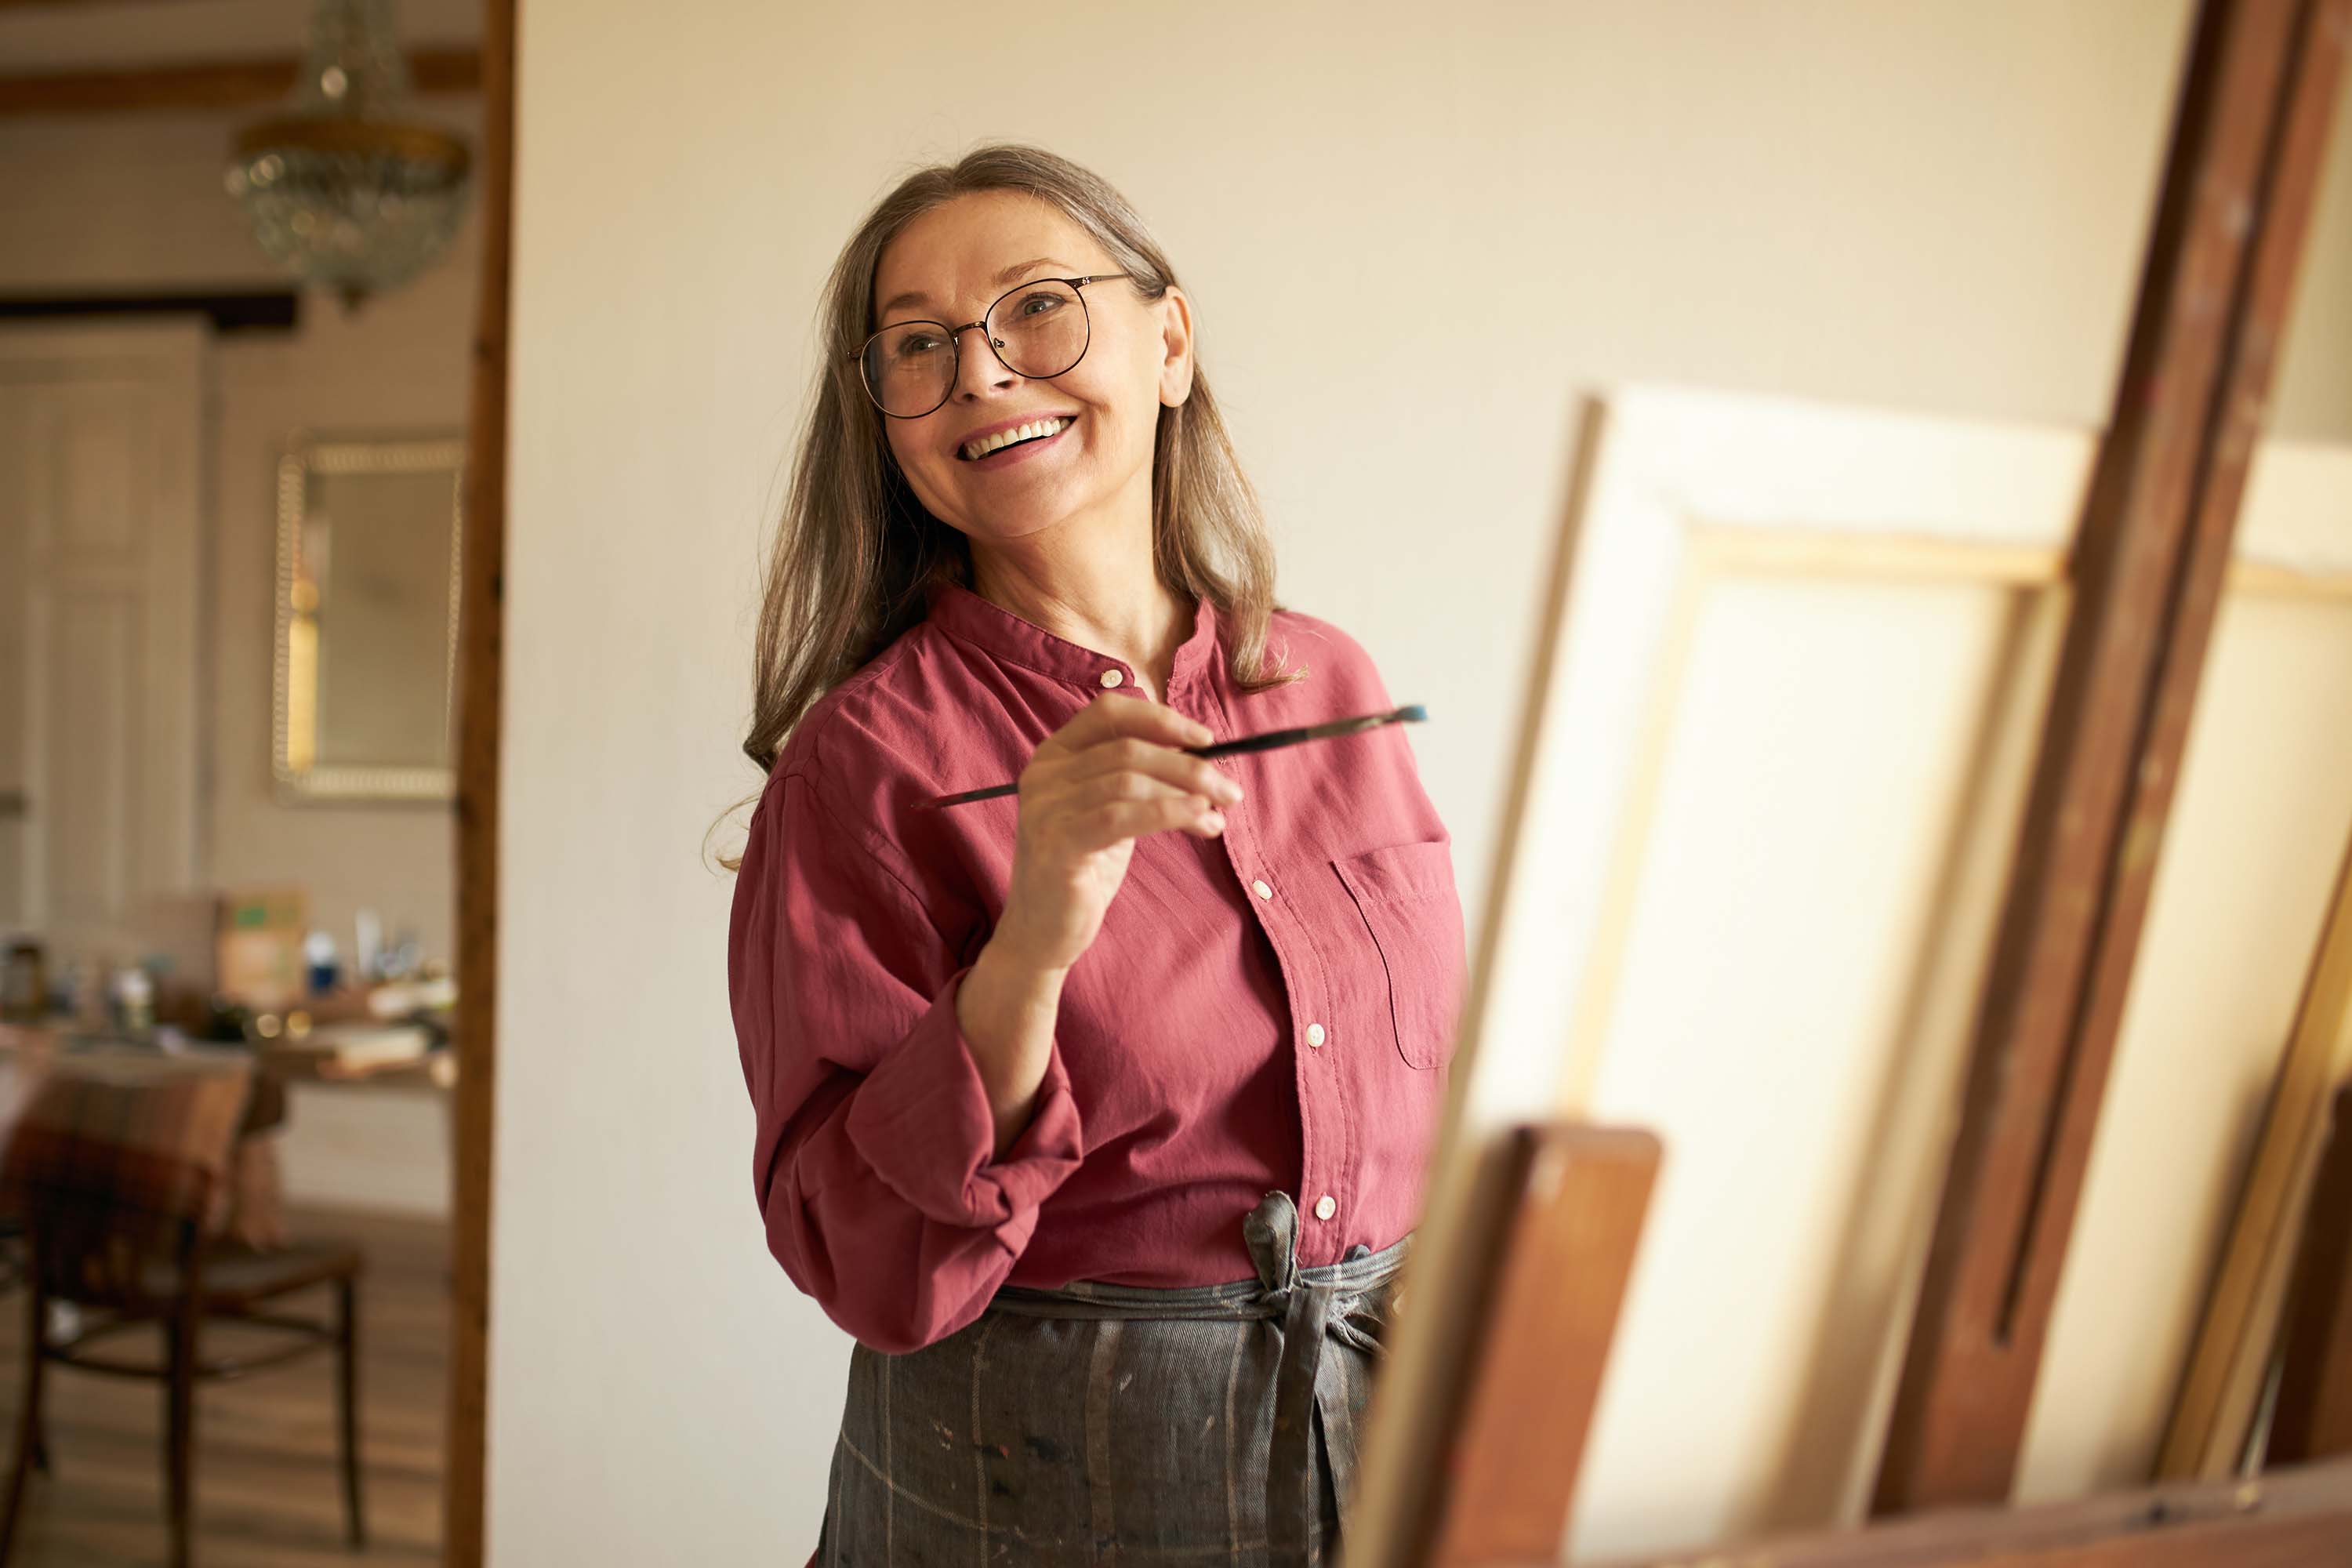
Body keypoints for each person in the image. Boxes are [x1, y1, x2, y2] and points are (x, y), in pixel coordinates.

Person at [725, 143, 1468, 1568]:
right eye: (920, 348)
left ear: (1170, 341)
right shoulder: (861, 772)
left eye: (1039, 309)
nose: (987, 377)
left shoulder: (1329, 683)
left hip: (1387, 1452)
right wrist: (1041, 933)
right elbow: (858, 1253)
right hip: (1035, 1485)